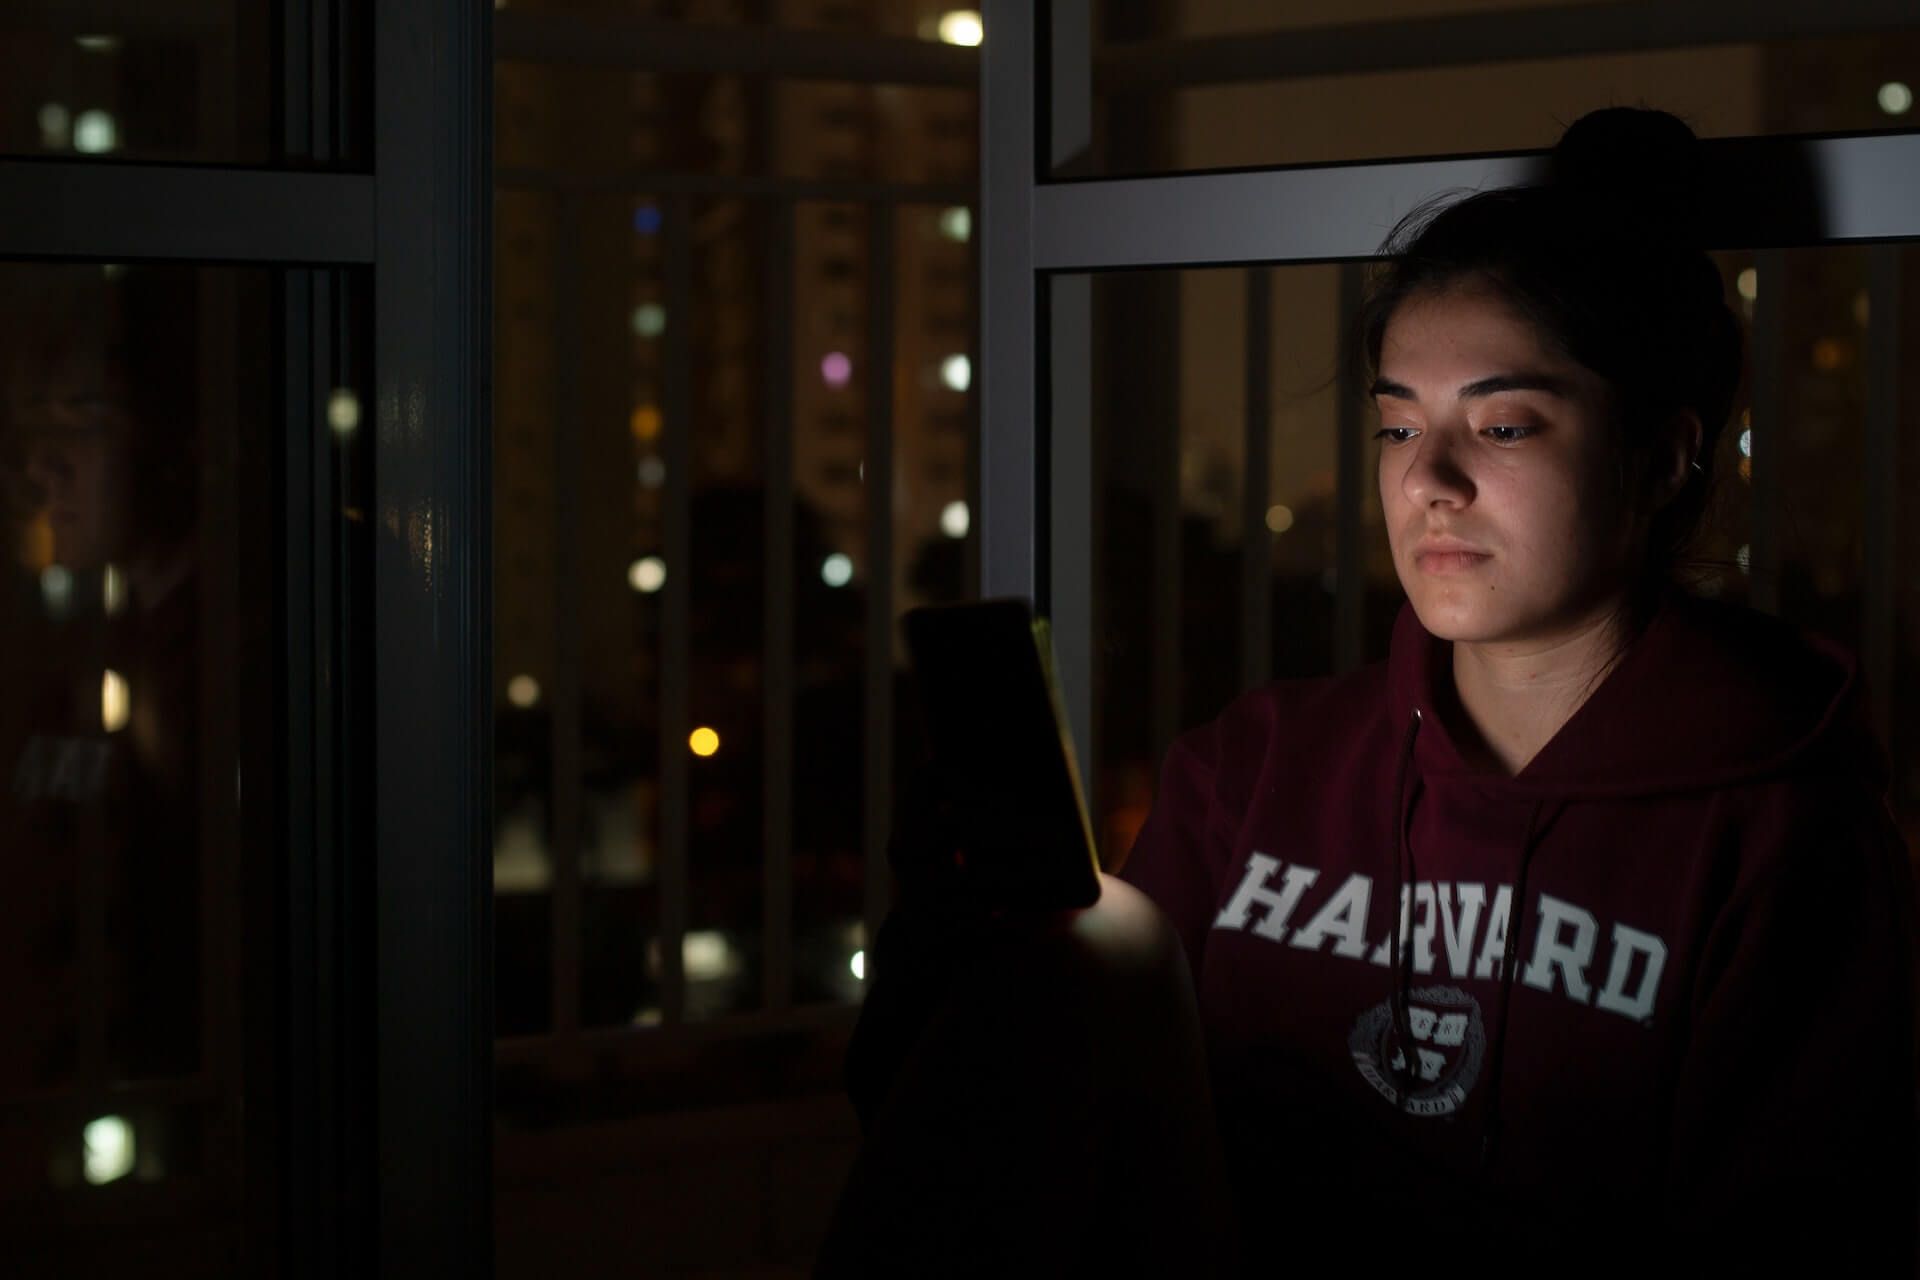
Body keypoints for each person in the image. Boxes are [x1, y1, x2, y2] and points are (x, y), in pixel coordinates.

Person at [821, 108, 1918, 1276]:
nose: (1430, 480)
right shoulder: (1262, 762)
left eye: (1501, 424)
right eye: (1399, 423)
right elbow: (1014, 1111)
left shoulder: (1781, 828)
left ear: (1659, 458)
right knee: (1090, 949)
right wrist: (953, 929)